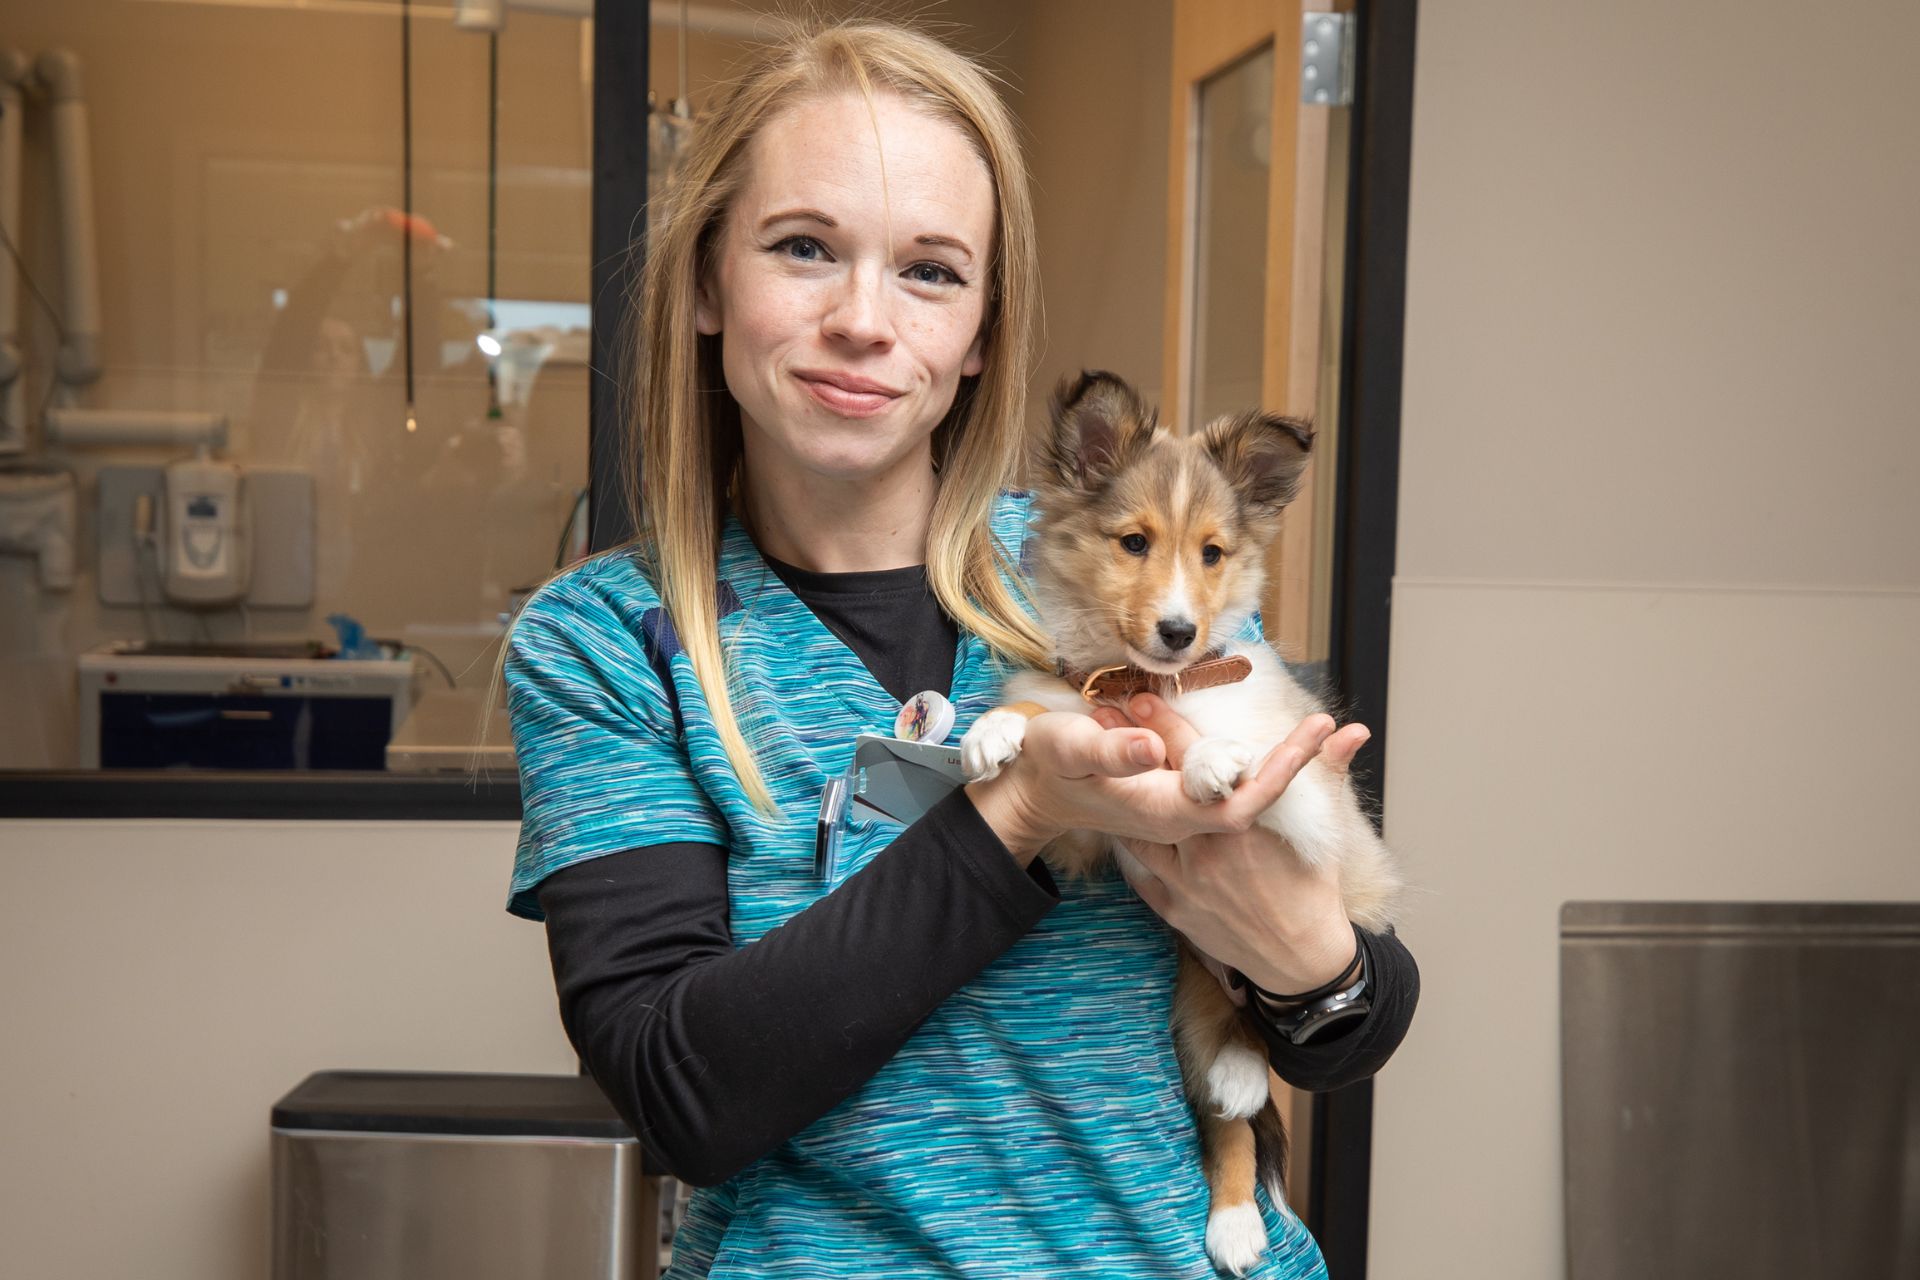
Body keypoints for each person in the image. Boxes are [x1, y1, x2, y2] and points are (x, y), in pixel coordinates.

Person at [501, 19, 1418, 1279]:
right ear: (710, 282)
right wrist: (1027, 802)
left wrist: (1309, 957)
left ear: (985, 326)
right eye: (805, 247)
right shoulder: (611, 643)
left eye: (931, 270)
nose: (863, 319)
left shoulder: (1124, 572)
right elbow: (685, 1094)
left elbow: (1349, 1026)